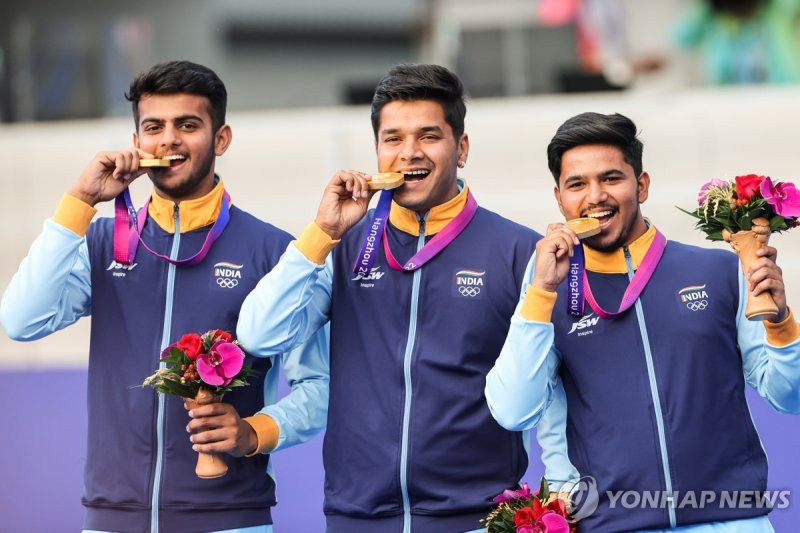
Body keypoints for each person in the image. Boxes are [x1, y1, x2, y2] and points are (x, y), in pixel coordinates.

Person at [0, 60, 328, 533]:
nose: (168, 139)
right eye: (153, 127)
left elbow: (318, 386)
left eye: (187, 125)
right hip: (112, 517)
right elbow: (21, 319)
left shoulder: (276, 252)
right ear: (137, 143)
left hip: (229, 519)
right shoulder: (100, 242)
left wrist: (254, 433)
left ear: (221, 139)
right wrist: (79, 201)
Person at [236, 63, 541, 533]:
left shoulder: (518, 251)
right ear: (377, 150)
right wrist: (323, 234)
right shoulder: (344, 246)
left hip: (477, 518)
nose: (409, 153)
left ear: (461, 148)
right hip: (358, 516)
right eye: (393, 138)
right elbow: (259, 334)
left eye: (429, 136)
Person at [485, 111, 800, 532]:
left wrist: (781, 322)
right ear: (559, 199)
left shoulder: (717, 272)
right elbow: (512, 411)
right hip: (611, 523)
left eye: (611, 178)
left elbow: (789, 397)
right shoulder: (548, 290)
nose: (595, 196)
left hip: (733, 519)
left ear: (642, 185)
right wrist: (541, 294)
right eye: (577, 184)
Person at [673, 0, 800, 85]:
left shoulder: (778, 11)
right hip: (730, 102)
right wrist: (708, 6)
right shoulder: (714, 20)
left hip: (780, 97)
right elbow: (681, 38)